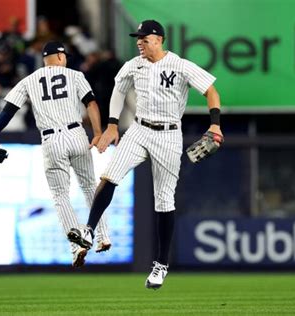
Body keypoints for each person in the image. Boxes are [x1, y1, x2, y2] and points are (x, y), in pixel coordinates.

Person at [67, 20, 223, 289]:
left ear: (159, 39)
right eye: (137, 38)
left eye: (144, 37)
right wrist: (113, 124)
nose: (139, 42)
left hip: (169, 134)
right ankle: (89, 231)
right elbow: (119, 88)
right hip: (139, 129)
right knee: (109, 175)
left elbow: (211, 90)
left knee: (164, 200)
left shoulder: (180, 65)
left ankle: (161, 264)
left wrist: (215, 124)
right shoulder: (133, 64)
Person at [0, 41, 111, 267]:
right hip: (76, 134)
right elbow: (91, 103)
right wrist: (98, 132)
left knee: (61, 196)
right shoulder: (75, 75)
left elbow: (9, 109)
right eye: (66, 56)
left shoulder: (29, 80)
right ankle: (102, 236)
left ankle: (77, 245)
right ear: (60, 57)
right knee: (90, 187)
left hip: (51, 140)